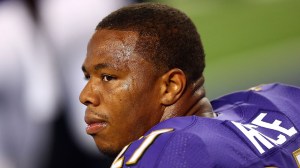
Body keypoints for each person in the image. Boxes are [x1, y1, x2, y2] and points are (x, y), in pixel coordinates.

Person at [79, 2, 300, 167]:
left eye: (108, 77)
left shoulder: (170, 151)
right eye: (88, 78)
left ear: (171, 86)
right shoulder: (280, 100)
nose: (85, 96)